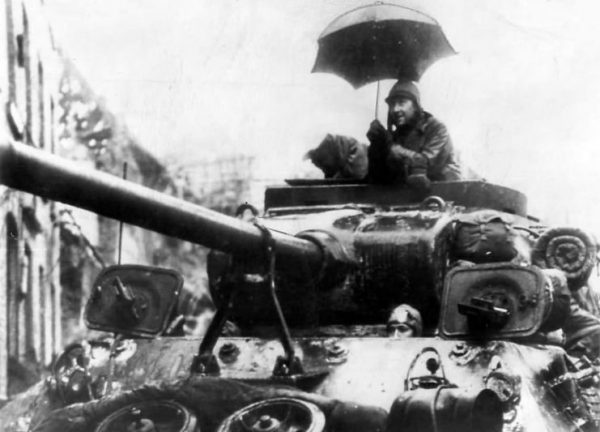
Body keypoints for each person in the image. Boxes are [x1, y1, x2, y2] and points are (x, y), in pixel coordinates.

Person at [367, 79, 461, 188]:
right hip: (409, 195)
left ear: (416, 105)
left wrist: (390, 146)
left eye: (401, 102)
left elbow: (422, 165)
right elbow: (379, 178)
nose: (395, 109)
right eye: (392, 104)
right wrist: (377, 147)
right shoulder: (396, 134)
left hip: (447, 192)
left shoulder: (436, 128)